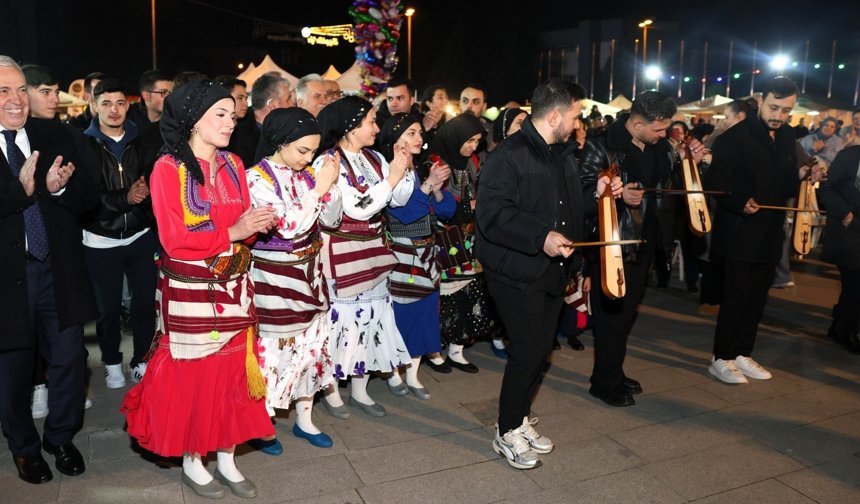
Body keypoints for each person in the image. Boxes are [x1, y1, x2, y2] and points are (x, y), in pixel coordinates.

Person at [121, 80, 278, 499]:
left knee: (232, 373)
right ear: (193, 120)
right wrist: (235, 232)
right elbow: (175, 241)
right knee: (196, 375)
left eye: (232, 114)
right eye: (220, 115)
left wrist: (256, 224)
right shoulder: (167, 168)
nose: (231, 122)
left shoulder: (233, 163)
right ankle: (194, 460)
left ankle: (226, 457)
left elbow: (243, 224)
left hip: (234, 285)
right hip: (190, 291)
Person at [476, 78, 617, 470]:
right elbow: (493, 215)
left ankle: (519, 419)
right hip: (515, 271)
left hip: (552, 270)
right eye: (574, 116)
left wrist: (597, 194)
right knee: (528, 352)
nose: (577, 124)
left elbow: (567, 208)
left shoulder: (562, 154)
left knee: (540, 351)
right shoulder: (509, 155)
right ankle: (507, 430)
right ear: (554, 116)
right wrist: (541, 237)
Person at [0, 55, 100, 484]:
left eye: (21, 89)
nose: (16, 99)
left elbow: (90, 195)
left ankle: (60, 437)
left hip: (56, 271)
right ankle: (24, 448)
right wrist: (19, 193)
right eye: (4, 91)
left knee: (69, 360)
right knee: (14, 371)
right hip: (7, 281)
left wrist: (58, 190)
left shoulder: (56, 134)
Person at [579, 91, 705, 406]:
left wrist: (691, 162)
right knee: (611, 316)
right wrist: (618, 197)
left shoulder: (661, 147)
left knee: (626, 314)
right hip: (613, 244)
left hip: (646, 243)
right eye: (659, 129)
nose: (664, 135)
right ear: (637, 124)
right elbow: (582, 194)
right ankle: (603, 382)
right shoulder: (601, 146)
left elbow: (674, 187)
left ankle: (613, 371)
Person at [705, 77, 823, 384]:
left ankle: (742, 353)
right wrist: (741, 200)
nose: (779, 116)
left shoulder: (786, 136)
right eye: (773, 107)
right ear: (760, 101)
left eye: (786, 110)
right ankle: (721, 357)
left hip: (770, 232)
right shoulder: (734, 137)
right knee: (736, 296)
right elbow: (715, 182)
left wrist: (803, 173)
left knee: (758, 297)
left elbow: (785, 182)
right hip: (738, 232)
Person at [247, 108, 343, 453]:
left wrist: (331, 188)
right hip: (274, 279)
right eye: (303, 150)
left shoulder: (308, 176)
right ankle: (261, 424)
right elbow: (287, 226)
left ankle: (305, 419)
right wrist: (319, 189)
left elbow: (332, 219)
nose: (308, 158)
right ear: (280, 142)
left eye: (313, 152)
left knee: (311, 347)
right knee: (274, 353)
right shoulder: (255, 178)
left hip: (311, 274)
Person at [315, 96, 413, 418]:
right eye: (371, 121)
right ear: (350, 127)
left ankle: (360, 389)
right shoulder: (328, 161)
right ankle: (330, 390)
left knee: (371, 320)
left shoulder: (374, 157)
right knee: (340, 324)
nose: (377, 127)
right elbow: (357, 207)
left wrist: (402, 168)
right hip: (342, 249)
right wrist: (392, 177)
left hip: (373, 248)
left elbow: (397, 200)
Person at [82, 79, 157, 388]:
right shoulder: (84, 145)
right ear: (94, 106)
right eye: (106, 104)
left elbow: (155, 186)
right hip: (100, 240)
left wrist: (144, 202)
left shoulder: (143, 141)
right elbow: (87, 200)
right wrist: (126, 198)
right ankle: (112, 361)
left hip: (140, 235)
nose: (114, 110)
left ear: (128, 105)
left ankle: (141, 359)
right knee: (107, 309)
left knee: (144, 304)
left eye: (120, 103)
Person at [379, 113, 456, 400]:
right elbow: (406, 214)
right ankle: (394, 373)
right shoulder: (389, 169)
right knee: (402, 315)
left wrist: (437, 187)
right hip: (403, 254)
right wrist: (427, 186)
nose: (418, 138)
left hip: (427, 254)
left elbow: (447, 211)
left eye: (419, 133)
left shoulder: (423, 167)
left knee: (425, 314)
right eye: (411, 133)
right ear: (395, 137)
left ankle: (413, 374)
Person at [426, 113, 505, 371]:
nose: (473, 146)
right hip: (442, 237)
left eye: (477, 141)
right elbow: (440, 206)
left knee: (467, 292)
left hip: (467, 236)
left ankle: (456, 349)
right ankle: (434, 350)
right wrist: (470, 206)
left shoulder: (472, 161)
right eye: (469, 140)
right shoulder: (435, 162)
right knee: (445, 295)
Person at [819, 145, 860, 353]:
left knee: (853, 286)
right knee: (854, 282)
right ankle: (848, 330)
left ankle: (839, 324)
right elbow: (827, 189)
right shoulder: (848, 156)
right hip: (847, 232)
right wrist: (846, 214)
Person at [228, 72, 294, 168]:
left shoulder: (289, 129)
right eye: (288, 99)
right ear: (272, 105)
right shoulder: (237, 135)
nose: (292, 104)